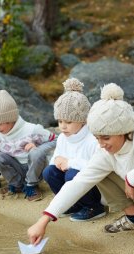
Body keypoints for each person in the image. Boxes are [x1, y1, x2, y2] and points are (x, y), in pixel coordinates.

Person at [28, 83, 134, 247]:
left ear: (122, 131)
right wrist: (44, 220)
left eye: (106, 138)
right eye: (97, 138)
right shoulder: (105, 153)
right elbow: (78, 183)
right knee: (97, 172)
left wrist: (131, 179)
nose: (101, 144)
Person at [43, 78, 105, 222]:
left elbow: (97, 168)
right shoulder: (64, 138)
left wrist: (70, 163)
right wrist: (57, 160)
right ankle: (72, 204)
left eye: (68, 122)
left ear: (83, 120)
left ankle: (93, 207)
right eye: (60, 121)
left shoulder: (93, 139)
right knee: (49, 171)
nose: (63, 127)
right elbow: (58, 157)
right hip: (72, 181)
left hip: (95, 187)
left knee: (72, 174)